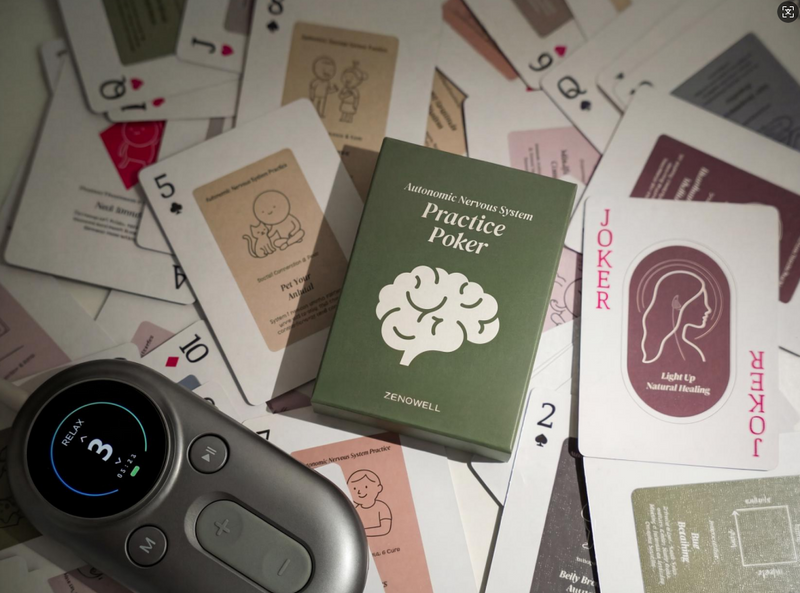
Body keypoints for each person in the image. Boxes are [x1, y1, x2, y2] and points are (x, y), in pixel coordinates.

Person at [640, 271, 713, 364]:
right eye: (699, 303)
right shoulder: (688, 354)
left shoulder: (689, 353)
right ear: (676, 304)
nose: (708, 309)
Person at [347, 469, 392, 537]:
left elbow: (385, 529)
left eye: (366, 487)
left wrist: (359, 532)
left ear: (379, 488)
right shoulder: (355, 511)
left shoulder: (382, 507)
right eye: (354, 488)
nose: (359, 492)